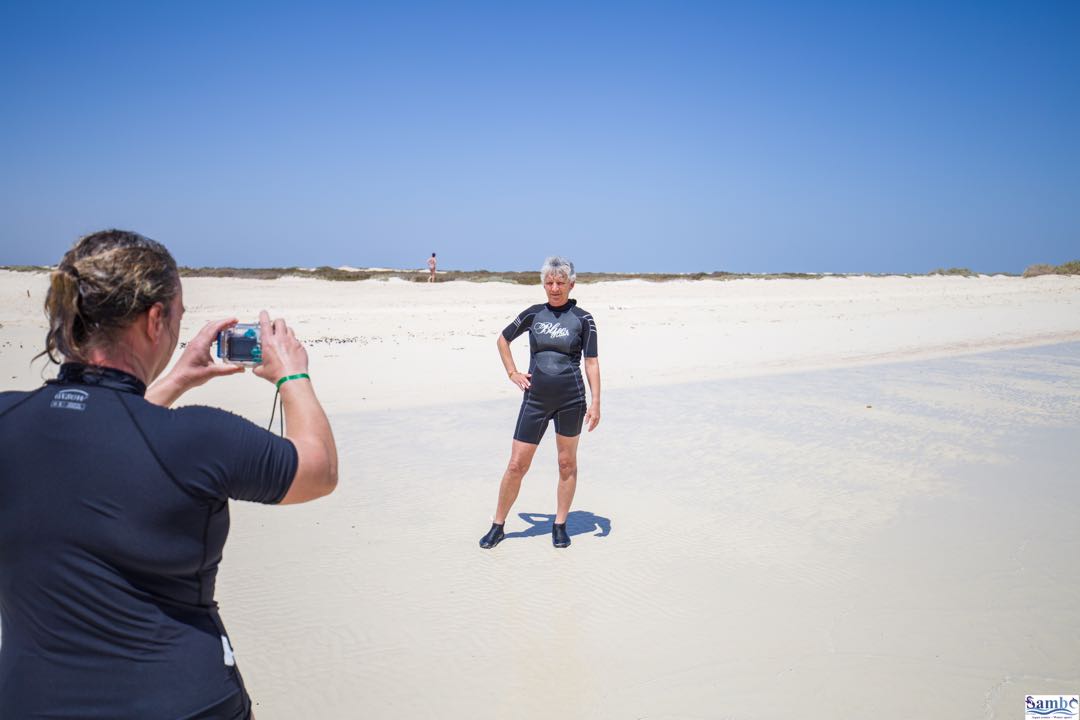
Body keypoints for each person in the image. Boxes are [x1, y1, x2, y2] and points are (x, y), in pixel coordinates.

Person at [0, 230, 338, 719]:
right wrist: (292, 374)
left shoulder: (9, 420)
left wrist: (175, 377)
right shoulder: (198, 438)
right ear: (155, 319)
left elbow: (104, 439)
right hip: (185, 703)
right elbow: (318, 470)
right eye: (178, 315)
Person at [479, 256, 600, 549]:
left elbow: (591, 362)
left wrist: (596, 402)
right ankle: (498, 525)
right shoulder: (534, 314)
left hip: (572, 399)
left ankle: (559, 524)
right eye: (549, 282)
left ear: (571, 284)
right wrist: (512, 373)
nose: (555, 288)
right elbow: (502, 340)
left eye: (560, 283)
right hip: (535, 400)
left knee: (566, 463)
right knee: (516, 465)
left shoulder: (584, 319)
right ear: (543, 284)